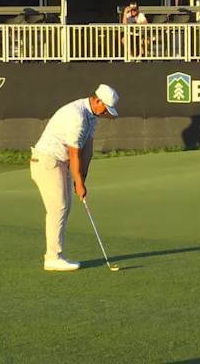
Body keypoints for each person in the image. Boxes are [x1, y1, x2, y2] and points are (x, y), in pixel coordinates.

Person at [30, 84, 119, 271]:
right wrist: (77, 181)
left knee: (64, 207)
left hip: (59, 162)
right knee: (58, 208)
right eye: (105, 108)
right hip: (47, 161)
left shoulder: (92, 117)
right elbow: (74, 152)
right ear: (97, 101)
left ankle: (56, 255)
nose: (106, 113)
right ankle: (53, 258)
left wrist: (83, 177)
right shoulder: (77, 116)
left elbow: (87, 147)